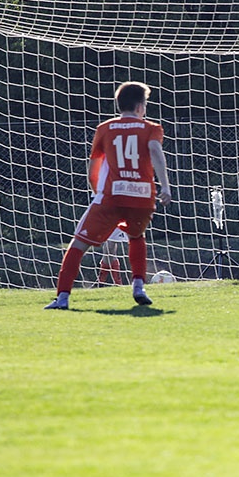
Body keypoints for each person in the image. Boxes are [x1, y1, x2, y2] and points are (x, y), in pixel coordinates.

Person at [45, 81, 171, 310]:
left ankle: (62, 298)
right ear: (141, 106)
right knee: (136, 236)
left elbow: (93, 168)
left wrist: (97, 194)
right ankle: (138, 286)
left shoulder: (105, 128)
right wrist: (166, 186)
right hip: (142, 198)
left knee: (78, 244)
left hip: (111, 197)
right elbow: (155, 151)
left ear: (118, 104)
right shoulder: (152, 128)